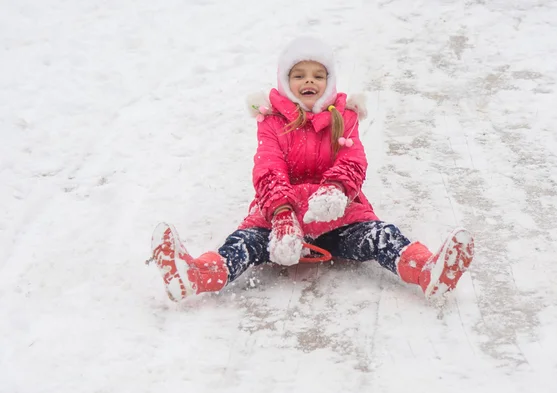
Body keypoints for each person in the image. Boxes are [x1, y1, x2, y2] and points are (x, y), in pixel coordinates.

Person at [149, 37, 474, 302]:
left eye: (318, 75)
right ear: (285, 81)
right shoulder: (272, 122)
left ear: (329, 82)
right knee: (242, 244)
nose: (309, 81)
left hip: (340, 218)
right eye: (299, 74)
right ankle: (195, 275)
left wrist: (337, 190)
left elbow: (354, 160)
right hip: (278, 223)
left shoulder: (343, 116)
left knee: (381, 237)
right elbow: (268, 167)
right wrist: (282, 215)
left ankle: (427, 270)